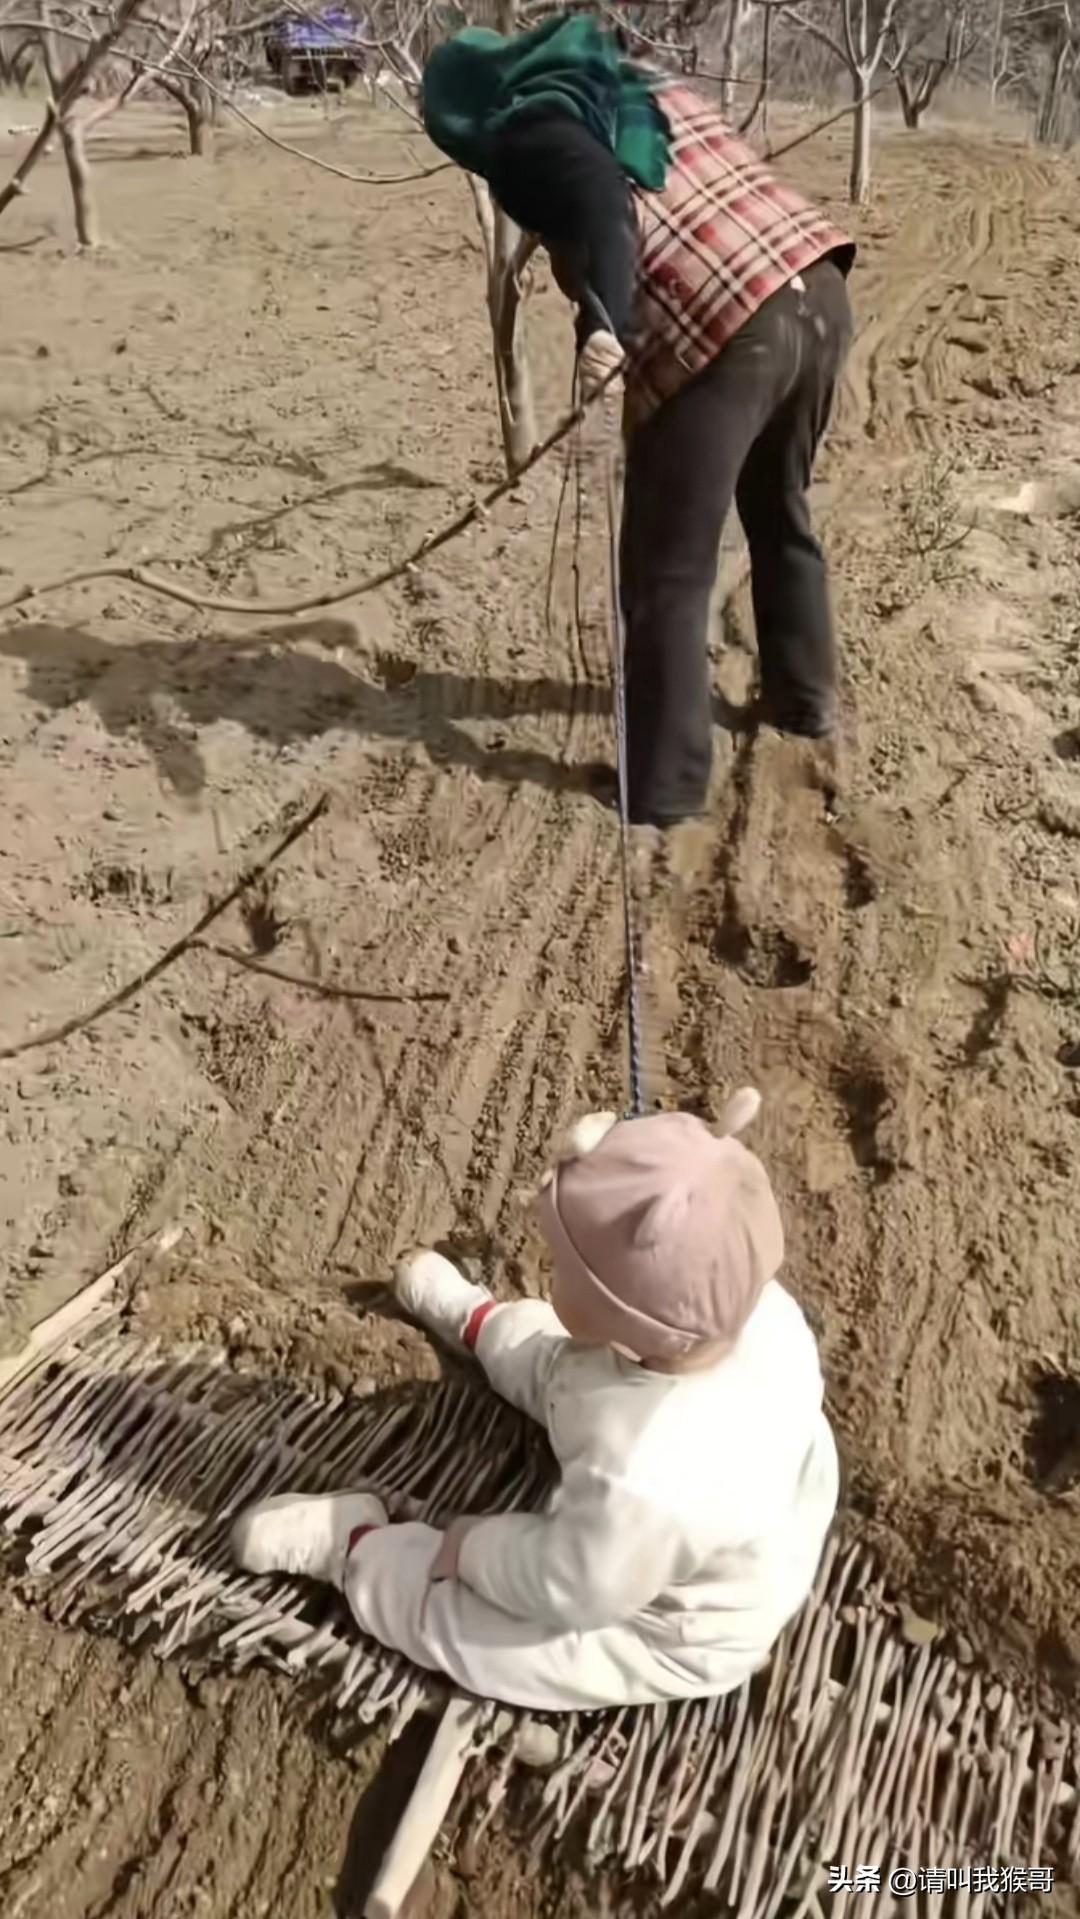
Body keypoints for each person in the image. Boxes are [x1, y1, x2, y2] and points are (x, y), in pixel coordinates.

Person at [232, 1094, 839, 1713]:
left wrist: (472, 1550)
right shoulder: (751, 1309)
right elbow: (680, 1207)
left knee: (481, 1641)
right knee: (558, 1361)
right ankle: (480, 1324)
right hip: (745, 1497)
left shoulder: (642, 1477)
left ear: (626, 1324)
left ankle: (356, 1548)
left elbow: (566, 1585)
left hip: (670, 1626)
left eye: (565, 1271)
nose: (552, 1272)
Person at [418, 13, 856, 830]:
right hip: (817, 286)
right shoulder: (637, 82)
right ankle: (805, 703)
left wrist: (605, 328)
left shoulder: (529, 126)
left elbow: (605, 206)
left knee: (665, 573)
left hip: (730, 326)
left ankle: (663, 789)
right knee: (780, 514)